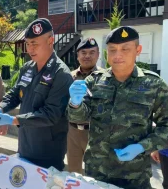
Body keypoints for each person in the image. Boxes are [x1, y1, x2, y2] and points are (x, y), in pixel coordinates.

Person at [68, 26, 168, 189]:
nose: (117, 55)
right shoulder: (94, 81)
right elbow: (77, 118)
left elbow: (166, 126)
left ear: (138, 50)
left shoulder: (154, 85)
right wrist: (75, 103)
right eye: (112, 50)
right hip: (97, 173)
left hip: (134, 177)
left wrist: (143, 146)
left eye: (125, 49)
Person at [0, 18, 73, 170]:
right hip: (25, 145)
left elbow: (51, 114)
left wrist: (13, 120)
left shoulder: (61, 74)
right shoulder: (28, 68)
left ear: (50, 41)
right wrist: (0, 108)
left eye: (35, 44)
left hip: (47, 153)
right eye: (28, 43)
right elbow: (15, 93)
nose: (30, 49)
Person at [67, 38, 101, 174]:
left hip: (95, 133)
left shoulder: (105, 77)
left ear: (98, 55)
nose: (87, 56)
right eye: (83, 52)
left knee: (94, 175)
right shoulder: (69, 77)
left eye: (92, 52)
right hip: (72, 132)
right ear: (78, 56)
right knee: (73, 172)